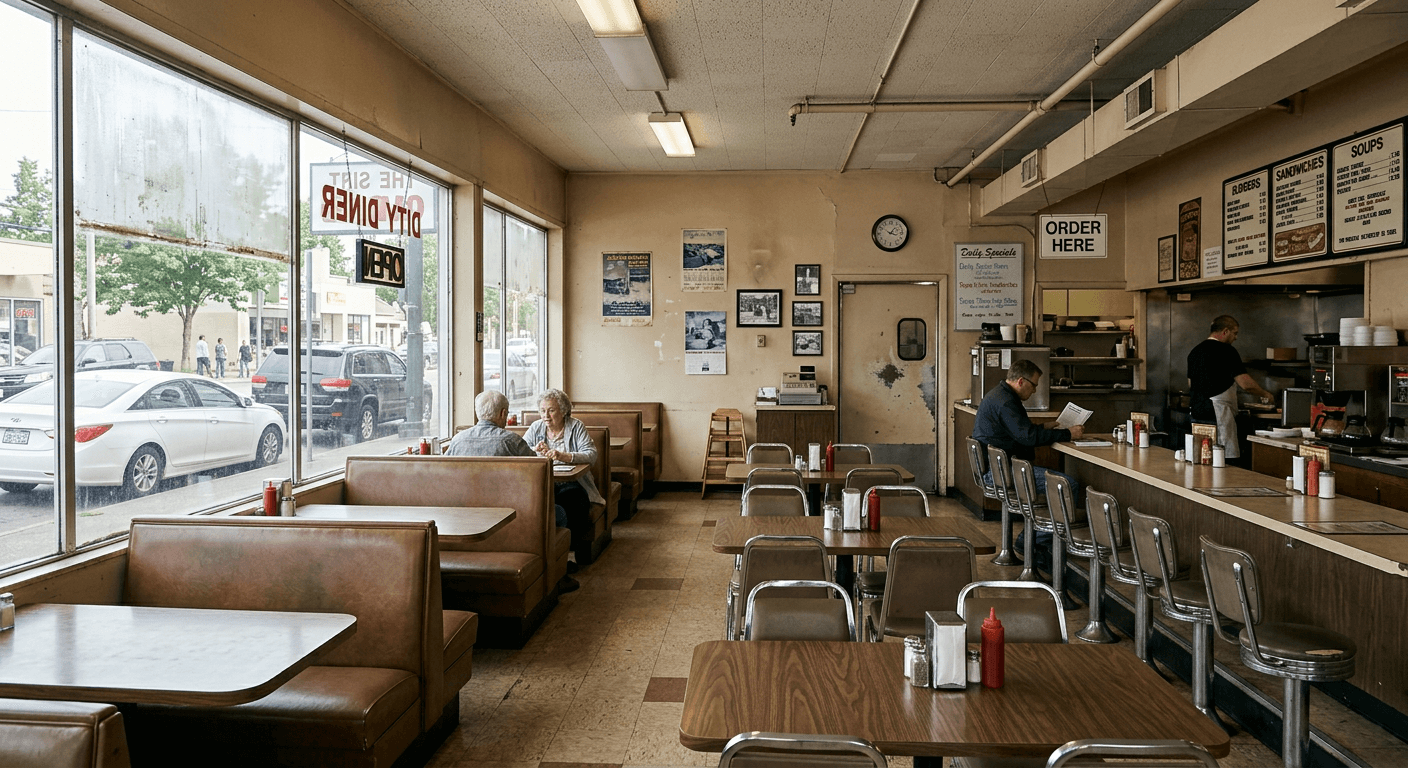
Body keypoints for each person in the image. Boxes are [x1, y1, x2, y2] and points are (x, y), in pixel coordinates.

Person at [448, 390, 578, 593]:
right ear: (502, 414)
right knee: (559, 512)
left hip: (463, 519)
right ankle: (556, 574)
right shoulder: (511, 441)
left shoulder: (457, 441)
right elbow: (540, 477)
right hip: (512, 518)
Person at [972, 359, 1083, 495]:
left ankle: (1048, 516)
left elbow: (1019, 432)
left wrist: (1043, 427)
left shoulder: (999, 395)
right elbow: (1028, 437)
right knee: (1069, 485)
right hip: (1002, 472)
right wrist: (1068, 434)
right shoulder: (1006, 402)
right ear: (1020, 381)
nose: (1035, 391)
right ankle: (1059, 517)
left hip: (996, 468)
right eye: (1033, 385)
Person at [524, 388, 604, 568]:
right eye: (543, 410)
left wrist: (563, 455)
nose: (546, 415)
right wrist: (535, 451)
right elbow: (522, 453)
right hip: (543, 482)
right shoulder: (536, 427)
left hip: (573, 482)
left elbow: (591, 455)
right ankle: (545, 555)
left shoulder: (576, 426)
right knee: (540, 502)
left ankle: (569, 553)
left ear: (563, 410)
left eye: (551, 410)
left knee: (573, 500)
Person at [1187, 315, 1272, 460]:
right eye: (1235, 333)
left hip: (1197, 412)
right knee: (1222, 458)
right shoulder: (1227, 351)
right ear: (1225, 331)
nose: (1236, 337)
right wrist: (1265, 394)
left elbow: (1190, 383)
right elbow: (1245, 384)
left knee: (1203, 456)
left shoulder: (1195, 351)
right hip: (1218, 413)